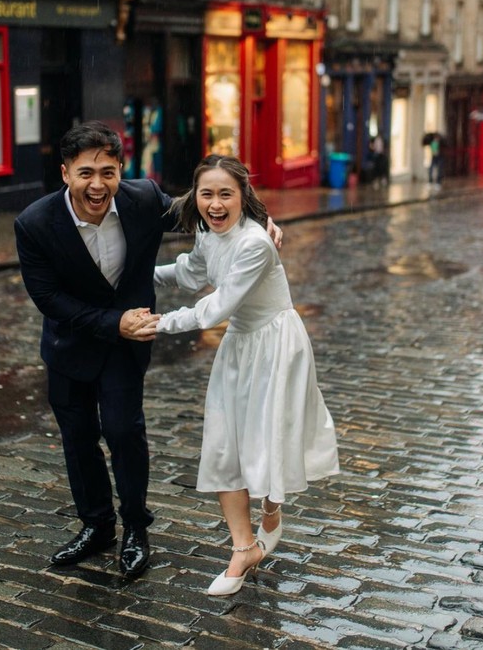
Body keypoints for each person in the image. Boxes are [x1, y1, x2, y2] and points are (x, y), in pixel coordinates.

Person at [14, 121, 284, 578]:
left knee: (123, 433)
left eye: (107, 172)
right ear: (65, 173)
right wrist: (112, 322)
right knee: (78, 440)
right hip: (70, 346)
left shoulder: (142, 199)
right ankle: (96, 525)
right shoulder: (35, 223)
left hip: (127, 346)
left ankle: (136, 529)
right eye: (85, 173)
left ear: (120, 170)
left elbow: (206, 206)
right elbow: (49, 298)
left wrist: (259, 222)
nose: (97, 184)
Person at [138, 155, 339, 597]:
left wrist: (158, 323)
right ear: (195, 196)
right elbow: (190, 272)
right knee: (224, 444)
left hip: (275, 344)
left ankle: (272, 508)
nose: (215, 204)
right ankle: (243, 548)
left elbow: (216, 307)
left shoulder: (255, 244)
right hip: (239, 344)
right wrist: (134, 275)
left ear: (242, 196)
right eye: (207, 194)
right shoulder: (208, 232)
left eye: (225, 194)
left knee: (268, 441)